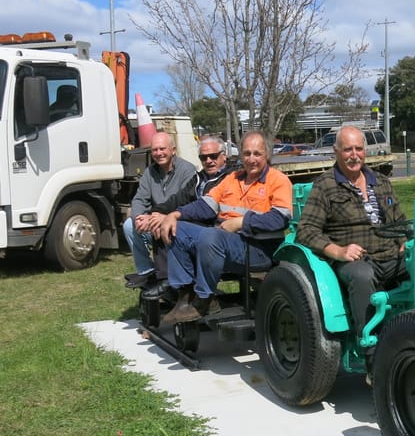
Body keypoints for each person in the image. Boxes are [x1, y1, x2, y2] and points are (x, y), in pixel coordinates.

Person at [158, 131, 293, 324]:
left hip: (259, 249)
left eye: (257, 153)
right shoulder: (233, 178)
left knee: (211, 236)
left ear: (267, 155)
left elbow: (280, 219)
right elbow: (205, 205)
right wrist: (174, 214)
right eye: (247, 153)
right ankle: (185, 296)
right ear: (240, 156)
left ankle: (204, 298)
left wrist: (241, 222)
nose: (251, 159)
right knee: (176, 229)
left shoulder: (278, 180)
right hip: (226, 242)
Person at [296, 125, 408, 340]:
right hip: (356, 260)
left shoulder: (381, 182)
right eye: (348, 149)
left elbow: (400, 221)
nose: (354, 155)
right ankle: (369, 344)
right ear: (336, 151)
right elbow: (306, 230)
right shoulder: (325, 185)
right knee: (361, 276)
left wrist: (404, 240)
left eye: (359, 149)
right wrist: (338, 251)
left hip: (391, 255)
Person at [140, 135, 235, 300]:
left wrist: (172, 217)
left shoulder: (230, 178)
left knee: (170, 225)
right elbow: (179, 199)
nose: (208, 161)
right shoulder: (200, 178)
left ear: (224, 156)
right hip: (198, 224)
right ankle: (165, 279)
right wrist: (154, 213)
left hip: (217, 229)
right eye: (203, 157)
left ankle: (172, 283)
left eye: (213, 156)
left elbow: (207, 211)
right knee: (159, 222)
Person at [123, 131, 197, 290]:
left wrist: (160, 219)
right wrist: (139, 217)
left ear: (173, 150)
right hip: (154, 220)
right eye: (155, 150)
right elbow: (139, 199)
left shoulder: (187, 171)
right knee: (129, 225)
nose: (158, 153)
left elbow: (185, 201)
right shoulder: (149, 172)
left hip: (178, 221)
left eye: (162, 149)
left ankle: (173, 277)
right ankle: (146, 271)